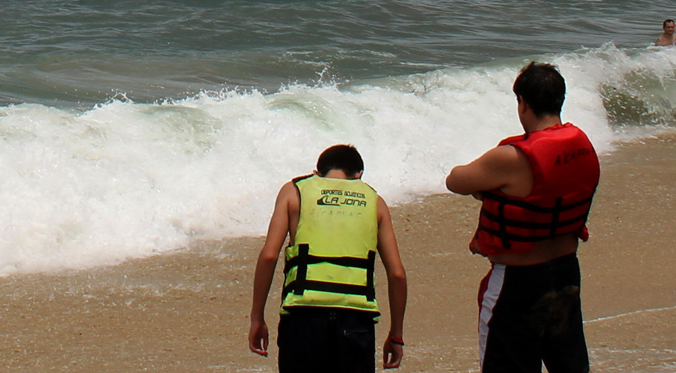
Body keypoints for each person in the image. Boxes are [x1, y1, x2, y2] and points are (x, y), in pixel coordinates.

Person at [446, 62, 598, 373]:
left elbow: (456, 181)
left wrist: (489, 190)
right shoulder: (581, 144)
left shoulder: (511, 157)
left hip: (517, 282)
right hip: (567, 272)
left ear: (523, 102)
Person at [250, 144, 409, 371]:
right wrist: (396, 336)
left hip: (303, 316)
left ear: (317, 172)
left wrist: (257, 318)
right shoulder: (375, 202)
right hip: (356, 319)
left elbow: (268, 256)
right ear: (359, 175)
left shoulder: (294, 191)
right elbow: (397, 274)